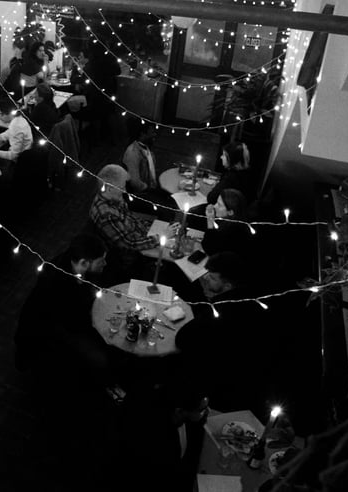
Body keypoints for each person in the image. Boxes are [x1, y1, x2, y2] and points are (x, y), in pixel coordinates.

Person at [174, 252, 272, 413]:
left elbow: (182, 339)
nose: (206, 278)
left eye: (212, 278)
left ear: (227, 286)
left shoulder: (221, 312)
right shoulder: (253, 300)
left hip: (220, 387)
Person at [14, 234, 113, 389]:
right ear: (84, 263)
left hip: (69, 321)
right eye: (101, 261)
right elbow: (69, 323)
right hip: (48, 331)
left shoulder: (76, 263)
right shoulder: (56, 282)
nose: (105, 264)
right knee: (100, 358)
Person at [88, 164, 159, 253]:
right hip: (134, 252)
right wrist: (158, 239)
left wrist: (152, 227)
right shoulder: (106, 215)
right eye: (122, 187)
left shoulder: (112, 198)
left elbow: (131, 219)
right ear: (109, 189)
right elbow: (130, 244)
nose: (125, 191)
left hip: (141, 234)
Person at [208, 141, 257, 206]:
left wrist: (215, 188)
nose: (221, 157)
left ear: (232, 159)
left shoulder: (232, 177)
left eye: (224, 155)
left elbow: (211, 198)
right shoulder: (247, 172)